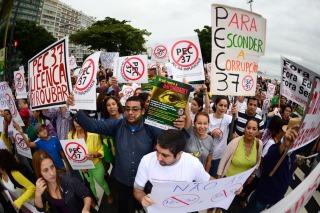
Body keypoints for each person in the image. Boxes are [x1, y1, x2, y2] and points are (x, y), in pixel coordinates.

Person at [67, 95, 187, 213]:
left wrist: (180, 128)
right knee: (124, 208)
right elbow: (93, 126)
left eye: (135, 109)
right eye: (127, 109)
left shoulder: (151, 127)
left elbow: (173, 140)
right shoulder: (117, 125)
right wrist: (75, 109)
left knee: (146, 207)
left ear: (143, 110)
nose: (130, 112)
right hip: (122, 181)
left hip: (145, 182)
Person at [133, 129, 212, 208]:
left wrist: (223, 185)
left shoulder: (193, 163)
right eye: (157, 151)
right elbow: (137, 190)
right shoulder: (147, 160)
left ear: (179, 154)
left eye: (165, 155)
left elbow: (209, 183)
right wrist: (143, 199)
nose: (158, 158)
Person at [245, 119, 300, 212]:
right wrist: (283, 145)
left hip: (276, 198)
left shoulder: (293, 151)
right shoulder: (275, 147)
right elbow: (266, 166)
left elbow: (287, 171)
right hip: (264, 197)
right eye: (295, 132)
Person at [217, 119, 263, 212]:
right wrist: (219, 180)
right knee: (222, 205)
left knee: (232, 207)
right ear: (244, 129)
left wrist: (253, 175)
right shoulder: (235, 142)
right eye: (248, 128)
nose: (250, 131)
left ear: (258, 131)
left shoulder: (259, 144)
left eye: (254, 129)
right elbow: (223, 161)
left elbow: (258, 161)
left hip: (242, 184)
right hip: (228, 180)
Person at [68, 119, 112, 203]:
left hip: (96, 164)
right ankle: (94, 198)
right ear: (72, 122)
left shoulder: (93, 134)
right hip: (83, 167)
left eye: (79, 120)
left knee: (101, 181)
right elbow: (72, 152)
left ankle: (109, 194)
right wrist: (80, 167)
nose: (77, 123)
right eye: (75, 121)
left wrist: (95, 155)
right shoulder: (70, 135)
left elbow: (101, 150)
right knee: (90, 184)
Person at [208, 96, 233, 177]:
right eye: (220, 105)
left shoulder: (229, 119)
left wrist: (235, 114)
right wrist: (211, 133)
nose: (222, 108)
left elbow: (234, 127)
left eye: (225, 106)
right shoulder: (208, 117)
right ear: (215, 105)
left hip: (220, 155)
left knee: (214, 178)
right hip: (207, 154)